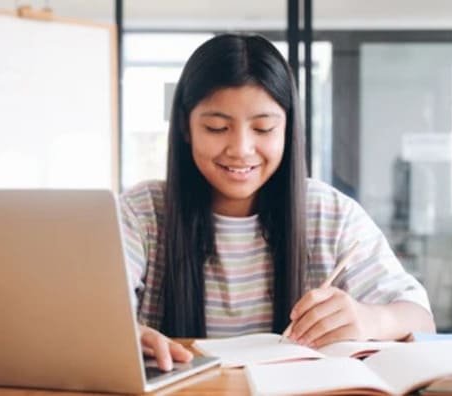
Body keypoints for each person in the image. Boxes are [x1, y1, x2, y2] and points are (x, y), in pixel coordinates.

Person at [120, 33, 435, 371]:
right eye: (216, 127)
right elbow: (85, 314)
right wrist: (123, 335)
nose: (240, 148)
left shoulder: (330, 214)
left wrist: (370, 319)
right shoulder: (144, 213)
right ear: (185, 127)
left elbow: (419, 318)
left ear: (288, 128)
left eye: (264, 128)